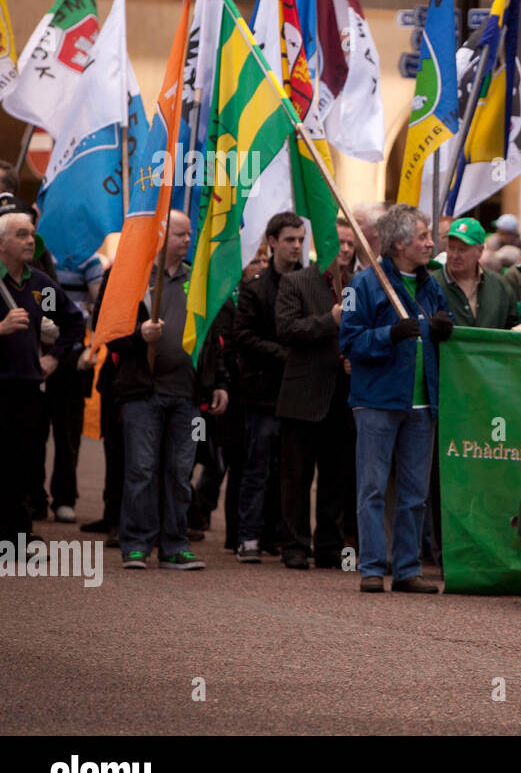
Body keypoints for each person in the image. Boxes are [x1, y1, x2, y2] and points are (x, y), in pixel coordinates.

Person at [95, 212, 229, 569]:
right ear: (160, 238)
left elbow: (213, 336)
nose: (187, 241)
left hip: (187, 394)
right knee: (141, 468)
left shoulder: (196, 278)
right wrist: (139, 335)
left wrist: (217, 383)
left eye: (189, 235)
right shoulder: (129, 276)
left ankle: (175, 543)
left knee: (179, 470)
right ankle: (136, 542)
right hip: (143, 391)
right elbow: (105, 328)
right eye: (180, 235)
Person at [339, 203, 453, 594]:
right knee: (371, 488)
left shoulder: (430, 284)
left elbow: (444, 320)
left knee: (415, 493)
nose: (430, 243)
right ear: (400, 242)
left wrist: (444, 327)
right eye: (422, 236)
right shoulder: (363, 284)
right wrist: (390, 335)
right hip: (377, 402)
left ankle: (407, 569)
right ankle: (372, 566)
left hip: (423, 404)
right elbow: (349, 341)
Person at [274, 218, 358, 570]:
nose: (343, 249)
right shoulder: (297, 282)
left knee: (336, 478)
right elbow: (287, 329)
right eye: (337, 242)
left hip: (343, 397)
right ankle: (294, 545)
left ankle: (329, 545)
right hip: (304, 396)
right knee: (296, 476)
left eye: (350, 244)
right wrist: (330, 320)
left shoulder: (359, 285)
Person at [0, 208, 85, 546]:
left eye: (31, 234)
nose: (29, 240)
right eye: (21, 234)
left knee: (25, 466)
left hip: (28, 388)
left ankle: (18, 538)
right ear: (2, 243)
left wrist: (53, 357)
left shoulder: (38, 286)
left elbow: (73, 321)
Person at [233, 212, 304, 563]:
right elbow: (243, 336)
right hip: (262, 392)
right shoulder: (255, 287)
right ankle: (248, 536)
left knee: (289, 470)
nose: (296, 246)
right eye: (290, 239)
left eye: (301, 240)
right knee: (257, 467)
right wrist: (283, 354)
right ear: (273, 241)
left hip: (297, 393)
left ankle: (280, 534)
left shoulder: (309, 284)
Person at [431, 217, 518, 329]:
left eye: (462, 249)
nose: (455, 255)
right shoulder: (432, 284)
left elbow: (512, 330)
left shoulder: (499, 287)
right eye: (451, 247)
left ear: (480, 251)